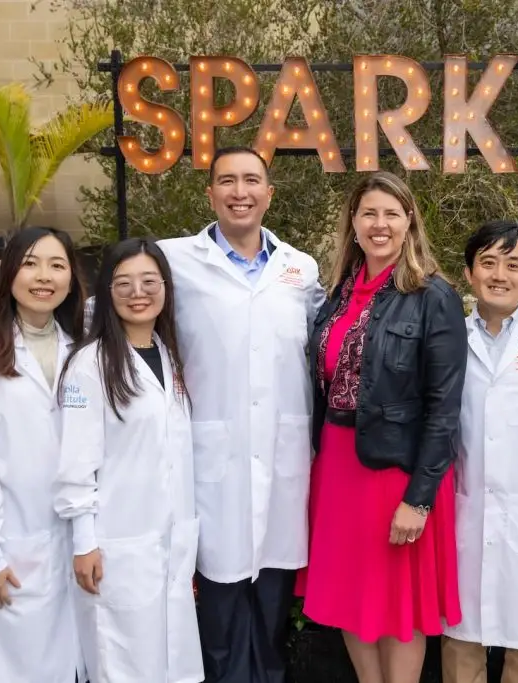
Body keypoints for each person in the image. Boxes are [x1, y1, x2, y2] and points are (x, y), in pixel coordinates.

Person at [156, 147, 326, 683]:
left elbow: (331, 341)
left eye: (252, 180)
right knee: (222, 611)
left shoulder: (300, 269)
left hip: (282, 458)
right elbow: (111, 311)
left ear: (269, 194)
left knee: (273, 612)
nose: (240, 192)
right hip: (213, 459)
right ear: (209, 194)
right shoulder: (173, 261)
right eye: (226, 181)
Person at [295, 170, 467, 683]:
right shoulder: (339, 295)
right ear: (353, 220)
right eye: (369, 212)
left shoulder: (433, 295)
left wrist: (419, 498)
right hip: (338, 465)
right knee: (350, 595)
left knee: (398, 606)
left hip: (395, 469)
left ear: (409, 221)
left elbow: (445, 406)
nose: (379, 224)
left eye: (391, 213)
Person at [54, 238, 202, 683]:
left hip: (169, 543)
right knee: (124, 666)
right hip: (117, 545)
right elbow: (76, 465)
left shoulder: (171, 355)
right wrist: (84, 541)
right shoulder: (89, 365)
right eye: (123, 283)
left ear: (165, 287)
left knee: (169, 662)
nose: (138, 292)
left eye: (149, 281)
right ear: (107, 292)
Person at [0, 226, 86, 683]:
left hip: (71, 538)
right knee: (13, 666)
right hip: (10, 541)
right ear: (8, 273)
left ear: (71, 279)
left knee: (68, 659)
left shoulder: (81, 350)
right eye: (30, 263)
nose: (43, 276)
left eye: (57, 265)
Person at [441, 220, 518, 683]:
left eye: (514, 265)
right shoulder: (450, 337)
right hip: (465, 509)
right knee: (461, 639)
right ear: (469, 274)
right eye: (487, 262)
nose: (500, 274)